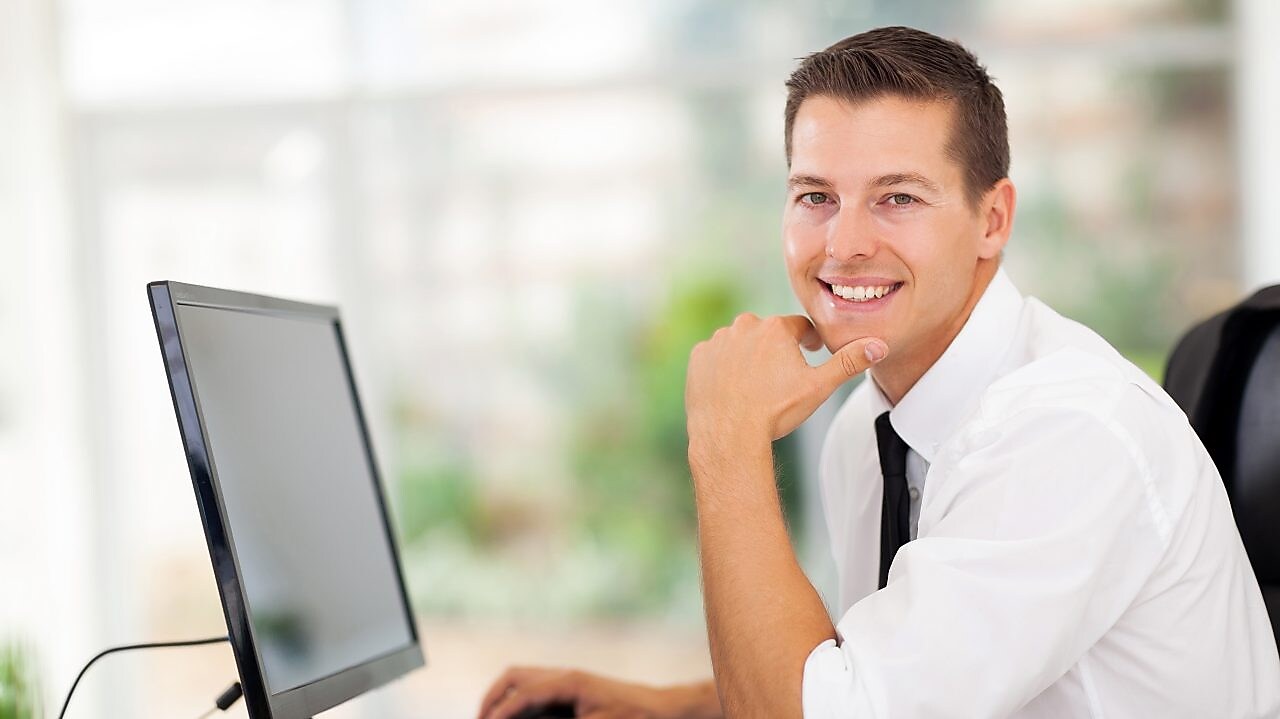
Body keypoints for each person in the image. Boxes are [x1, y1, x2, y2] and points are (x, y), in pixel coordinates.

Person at [476, 26, 1280, 719]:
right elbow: (863, 679)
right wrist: (664, 703)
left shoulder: (1067, 432)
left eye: (897, 198)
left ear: (992, 219)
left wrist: (726, 440)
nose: (845, 244)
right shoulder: (867, 430)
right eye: (816, 196)